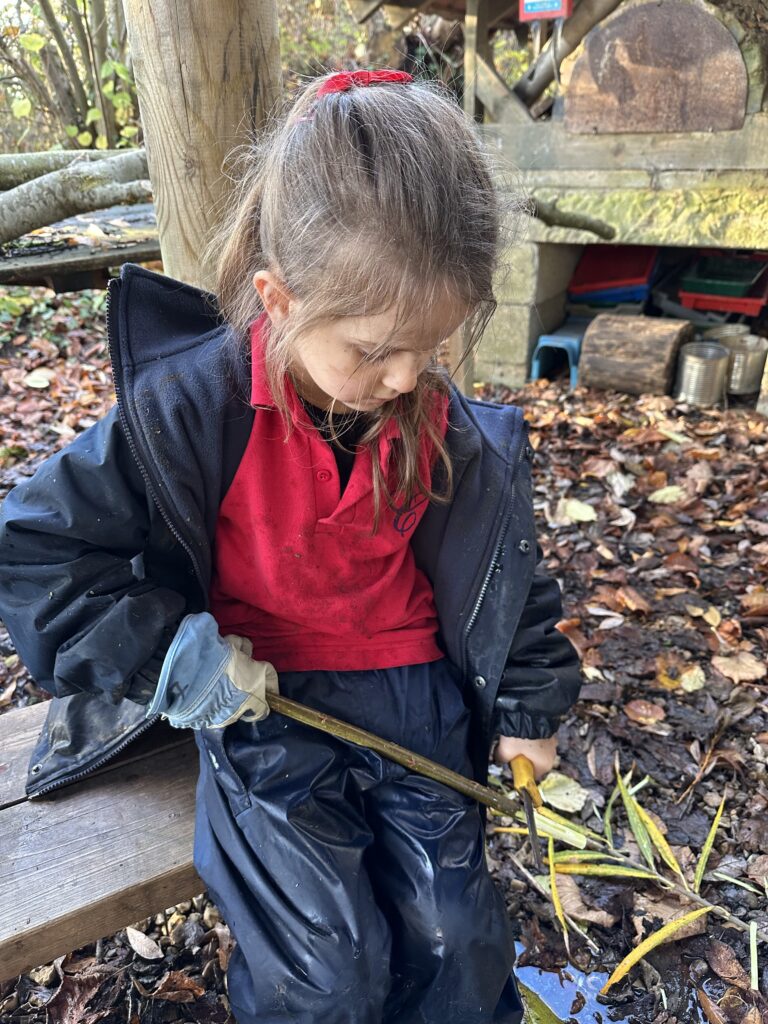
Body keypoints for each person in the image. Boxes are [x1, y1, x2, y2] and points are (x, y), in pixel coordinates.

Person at [0, 69, 581, 1024]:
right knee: (329, 969)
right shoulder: (191, 412)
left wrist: (528, 702)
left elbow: (507, 578)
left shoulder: (448, 431)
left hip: (417, 702)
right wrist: (168, 654)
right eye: (371, 349)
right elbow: (33, 551)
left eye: (427, 349)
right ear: (279, 296)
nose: (400, 379)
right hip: (262, 703)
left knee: (459, 946)